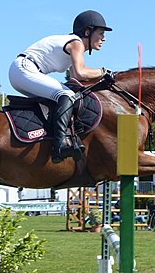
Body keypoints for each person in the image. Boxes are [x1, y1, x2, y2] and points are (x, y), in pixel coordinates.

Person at [9, 10, 113, 164]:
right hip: (24, 69)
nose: (103, 38)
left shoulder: (74, 45)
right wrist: (104, 72)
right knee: (67, 96)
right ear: (87, 32)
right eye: (100, 33)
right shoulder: (76, 43)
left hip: (22, 71)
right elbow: (81, 72)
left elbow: (75, 79)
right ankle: (59, 145)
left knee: (68, 95)